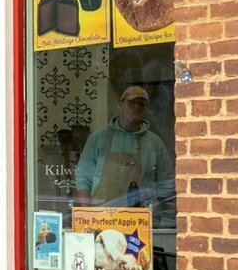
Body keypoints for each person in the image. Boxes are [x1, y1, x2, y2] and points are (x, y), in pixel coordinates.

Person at [73, 85, 174, 218]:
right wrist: (87, 214)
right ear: (121, 104)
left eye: (141, 104)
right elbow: (83, 179)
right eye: (131, 102)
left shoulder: (155, 143)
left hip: (141, 221)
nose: (136, 107)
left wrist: (154, 209)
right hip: (102, 219)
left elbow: (166, 185)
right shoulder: (98, 139)